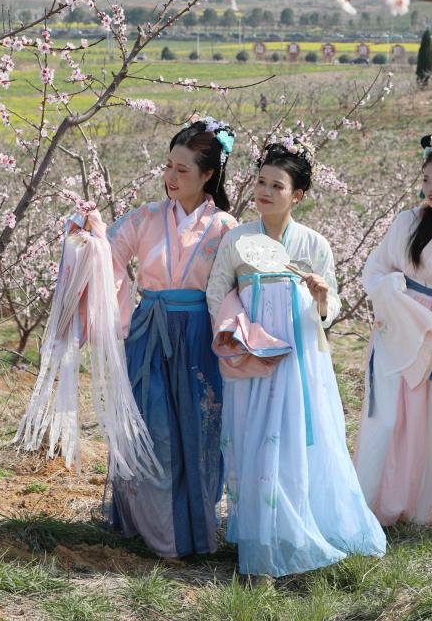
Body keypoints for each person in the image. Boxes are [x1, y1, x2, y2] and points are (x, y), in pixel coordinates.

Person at [206, 136, 386, 576]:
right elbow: (216, 293)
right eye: (261, 182)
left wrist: (322, 298)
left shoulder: (314, 245)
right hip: (253, 358)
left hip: (301, 361)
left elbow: (329, 311)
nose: (265, 192)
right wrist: (240, 337)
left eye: (277, 186)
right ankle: (261, 544)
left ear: (298, 195)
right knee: (252, 442)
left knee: (298, 442)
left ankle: (301, 529)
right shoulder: (238, 240)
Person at [100, 116, 239, 558]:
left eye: (183, 170)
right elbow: (109, 254)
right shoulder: (145, 217)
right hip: (149, 333)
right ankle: (151, 529)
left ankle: (194, 532)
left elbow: (237, 286)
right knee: (151, 429)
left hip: (199, 335)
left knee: (200, 432)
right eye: (168, 167)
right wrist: (86, 236)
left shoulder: (225, 228)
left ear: (208, 175)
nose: (171, 178)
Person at [354, 125, 432, 525]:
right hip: (398, 322)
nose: (430, 187)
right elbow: (375, 268)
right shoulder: (407, 222)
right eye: (426, 179)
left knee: (427, 416)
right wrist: (391, 293)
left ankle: (415, 502)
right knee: (389, 414)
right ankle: (373, 500)